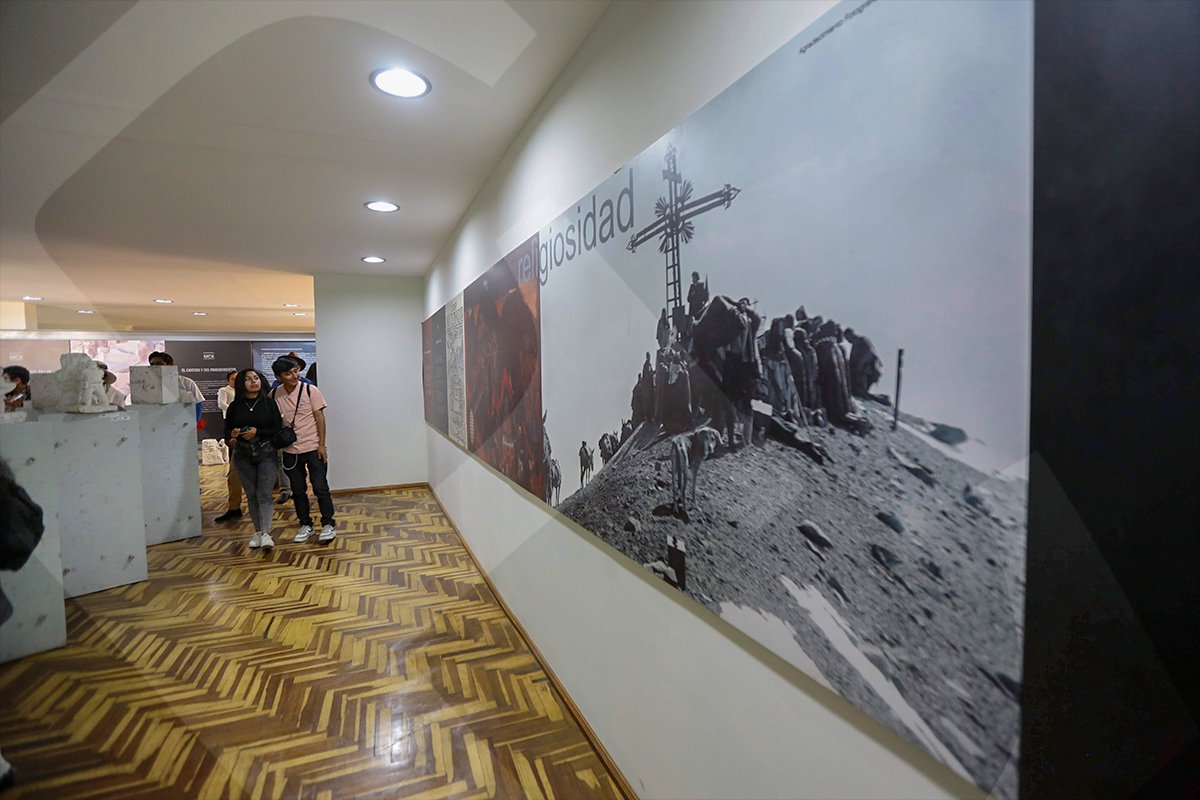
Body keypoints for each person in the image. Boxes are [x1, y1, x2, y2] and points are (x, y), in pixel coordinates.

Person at [271, 357, 336, 544]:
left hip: (313, 447)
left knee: (320, 487)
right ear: (279, 377)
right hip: (290, 451)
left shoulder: (310, 390)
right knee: (298, 490)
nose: (294, 376)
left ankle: (328, 523)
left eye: (295, 371)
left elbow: (319, 418)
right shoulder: (274, 394)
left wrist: (322, 444)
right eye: (288, 373)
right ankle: (305, 523)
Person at [224, 369, 283, 549]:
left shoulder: (268, 403)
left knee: (264, 494)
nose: (254, 382)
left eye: (256, 378)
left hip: (266, 453)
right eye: (248, 379)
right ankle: (257, 531)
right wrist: (233, 436)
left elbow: (277, 428)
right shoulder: (235, 406)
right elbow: (227, 431)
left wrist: (258, 432)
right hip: (243, 454)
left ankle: (266, 533)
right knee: (251, 494)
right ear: (241, 383)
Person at [214, 370, 244, 523]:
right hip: (236, 438)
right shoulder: (225, 392)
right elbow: (222, 404)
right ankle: (234, 508)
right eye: (233, 379)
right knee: (234, 475)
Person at [148, 351, 205, 419]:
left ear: (169, 365)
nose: (155, 367)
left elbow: (197, 404)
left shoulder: (186, 383)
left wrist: (194, 423)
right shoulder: (146, 385)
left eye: (159, 364)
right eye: (152, 364)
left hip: (181, 422)